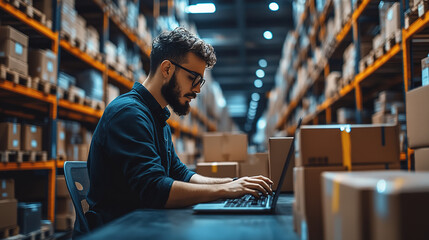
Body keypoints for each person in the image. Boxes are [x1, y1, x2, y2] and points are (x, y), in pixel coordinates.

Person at [81, 27, 272, 236]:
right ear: (167, 69)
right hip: (120, 230)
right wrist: (225, 191)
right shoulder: (128, 114)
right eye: (193, 78)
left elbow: (179, 173)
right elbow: (155, 190)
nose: (198, 89)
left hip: (144, 223)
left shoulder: (157, 116)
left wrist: (233, 183)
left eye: (201, 81)